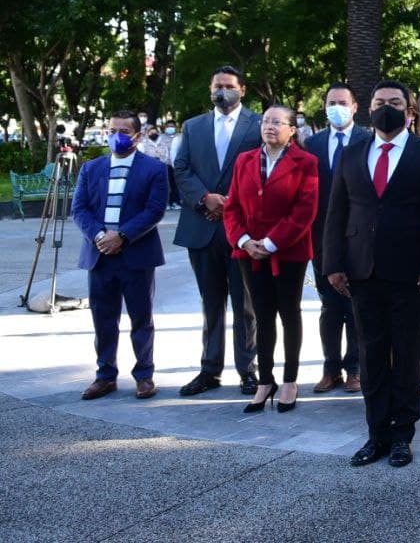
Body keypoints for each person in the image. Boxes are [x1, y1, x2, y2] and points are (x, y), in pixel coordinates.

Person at [325, 80, 420, 468]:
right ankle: (376, 434)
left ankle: (402, 435)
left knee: (408, 355)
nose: (387, 107)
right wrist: (333, 264)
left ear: (410, 111)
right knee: (371, 356)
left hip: (412, 274)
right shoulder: (351, 154)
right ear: (369, 109)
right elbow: (337, 212)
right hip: (362, 271)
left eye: (395, 102)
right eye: (380, 101)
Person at [223, 105, 320, 414]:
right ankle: (265, 380)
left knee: (289, 313)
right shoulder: (245, 160)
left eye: (278, 122)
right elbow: (232, 206)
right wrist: (244, 240)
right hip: (249, 251)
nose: (270, 126)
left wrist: (271, 242)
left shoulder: (306, 162)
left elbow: (305, 210)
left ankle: (290, 380)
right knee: (262, 315)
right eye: (266, 121)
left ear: (292, 129)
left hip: (289, 251)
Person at [173, 66, 261, 397]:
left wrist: (232, 203)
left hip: (243, 229)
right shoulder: (192, 126)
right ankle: (209, 370)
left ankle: (248, 369)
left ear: (242, 89)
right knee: (210, 303)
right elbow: (181, 168)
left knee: (245, 304)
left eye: (228, 85)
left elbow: (266, 169)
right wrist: (204, 199)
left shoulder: (258, 124)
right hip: (202, 226)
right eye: (217, 86)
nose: (222, 91)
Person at [72, 111, 169, 401]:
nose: (117, 136)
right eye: (112, 130)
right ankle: (105, 376)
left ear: (137, 136)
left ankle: (144, 375)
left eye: (124, 131)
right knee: (103, 319)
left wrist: (122, 236)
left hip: (136, 255)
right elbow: (79, 209)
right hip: (100, 255)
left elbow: (154, 210)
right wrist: (100, 236)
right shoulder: (91, 168)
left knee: (141, 318)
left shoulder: (154, 169)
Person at [304, 83, 368, 394]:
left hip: (358, 237)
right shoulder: (312, 144)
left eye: (343, 102)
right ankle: (331, 369)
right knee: (329, 307)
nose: (337, 107)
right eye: (332, 102)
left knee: (355, 306)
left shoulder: (367, 139)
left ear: (355, 107)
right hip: (322, 238)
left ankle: (355, 368)